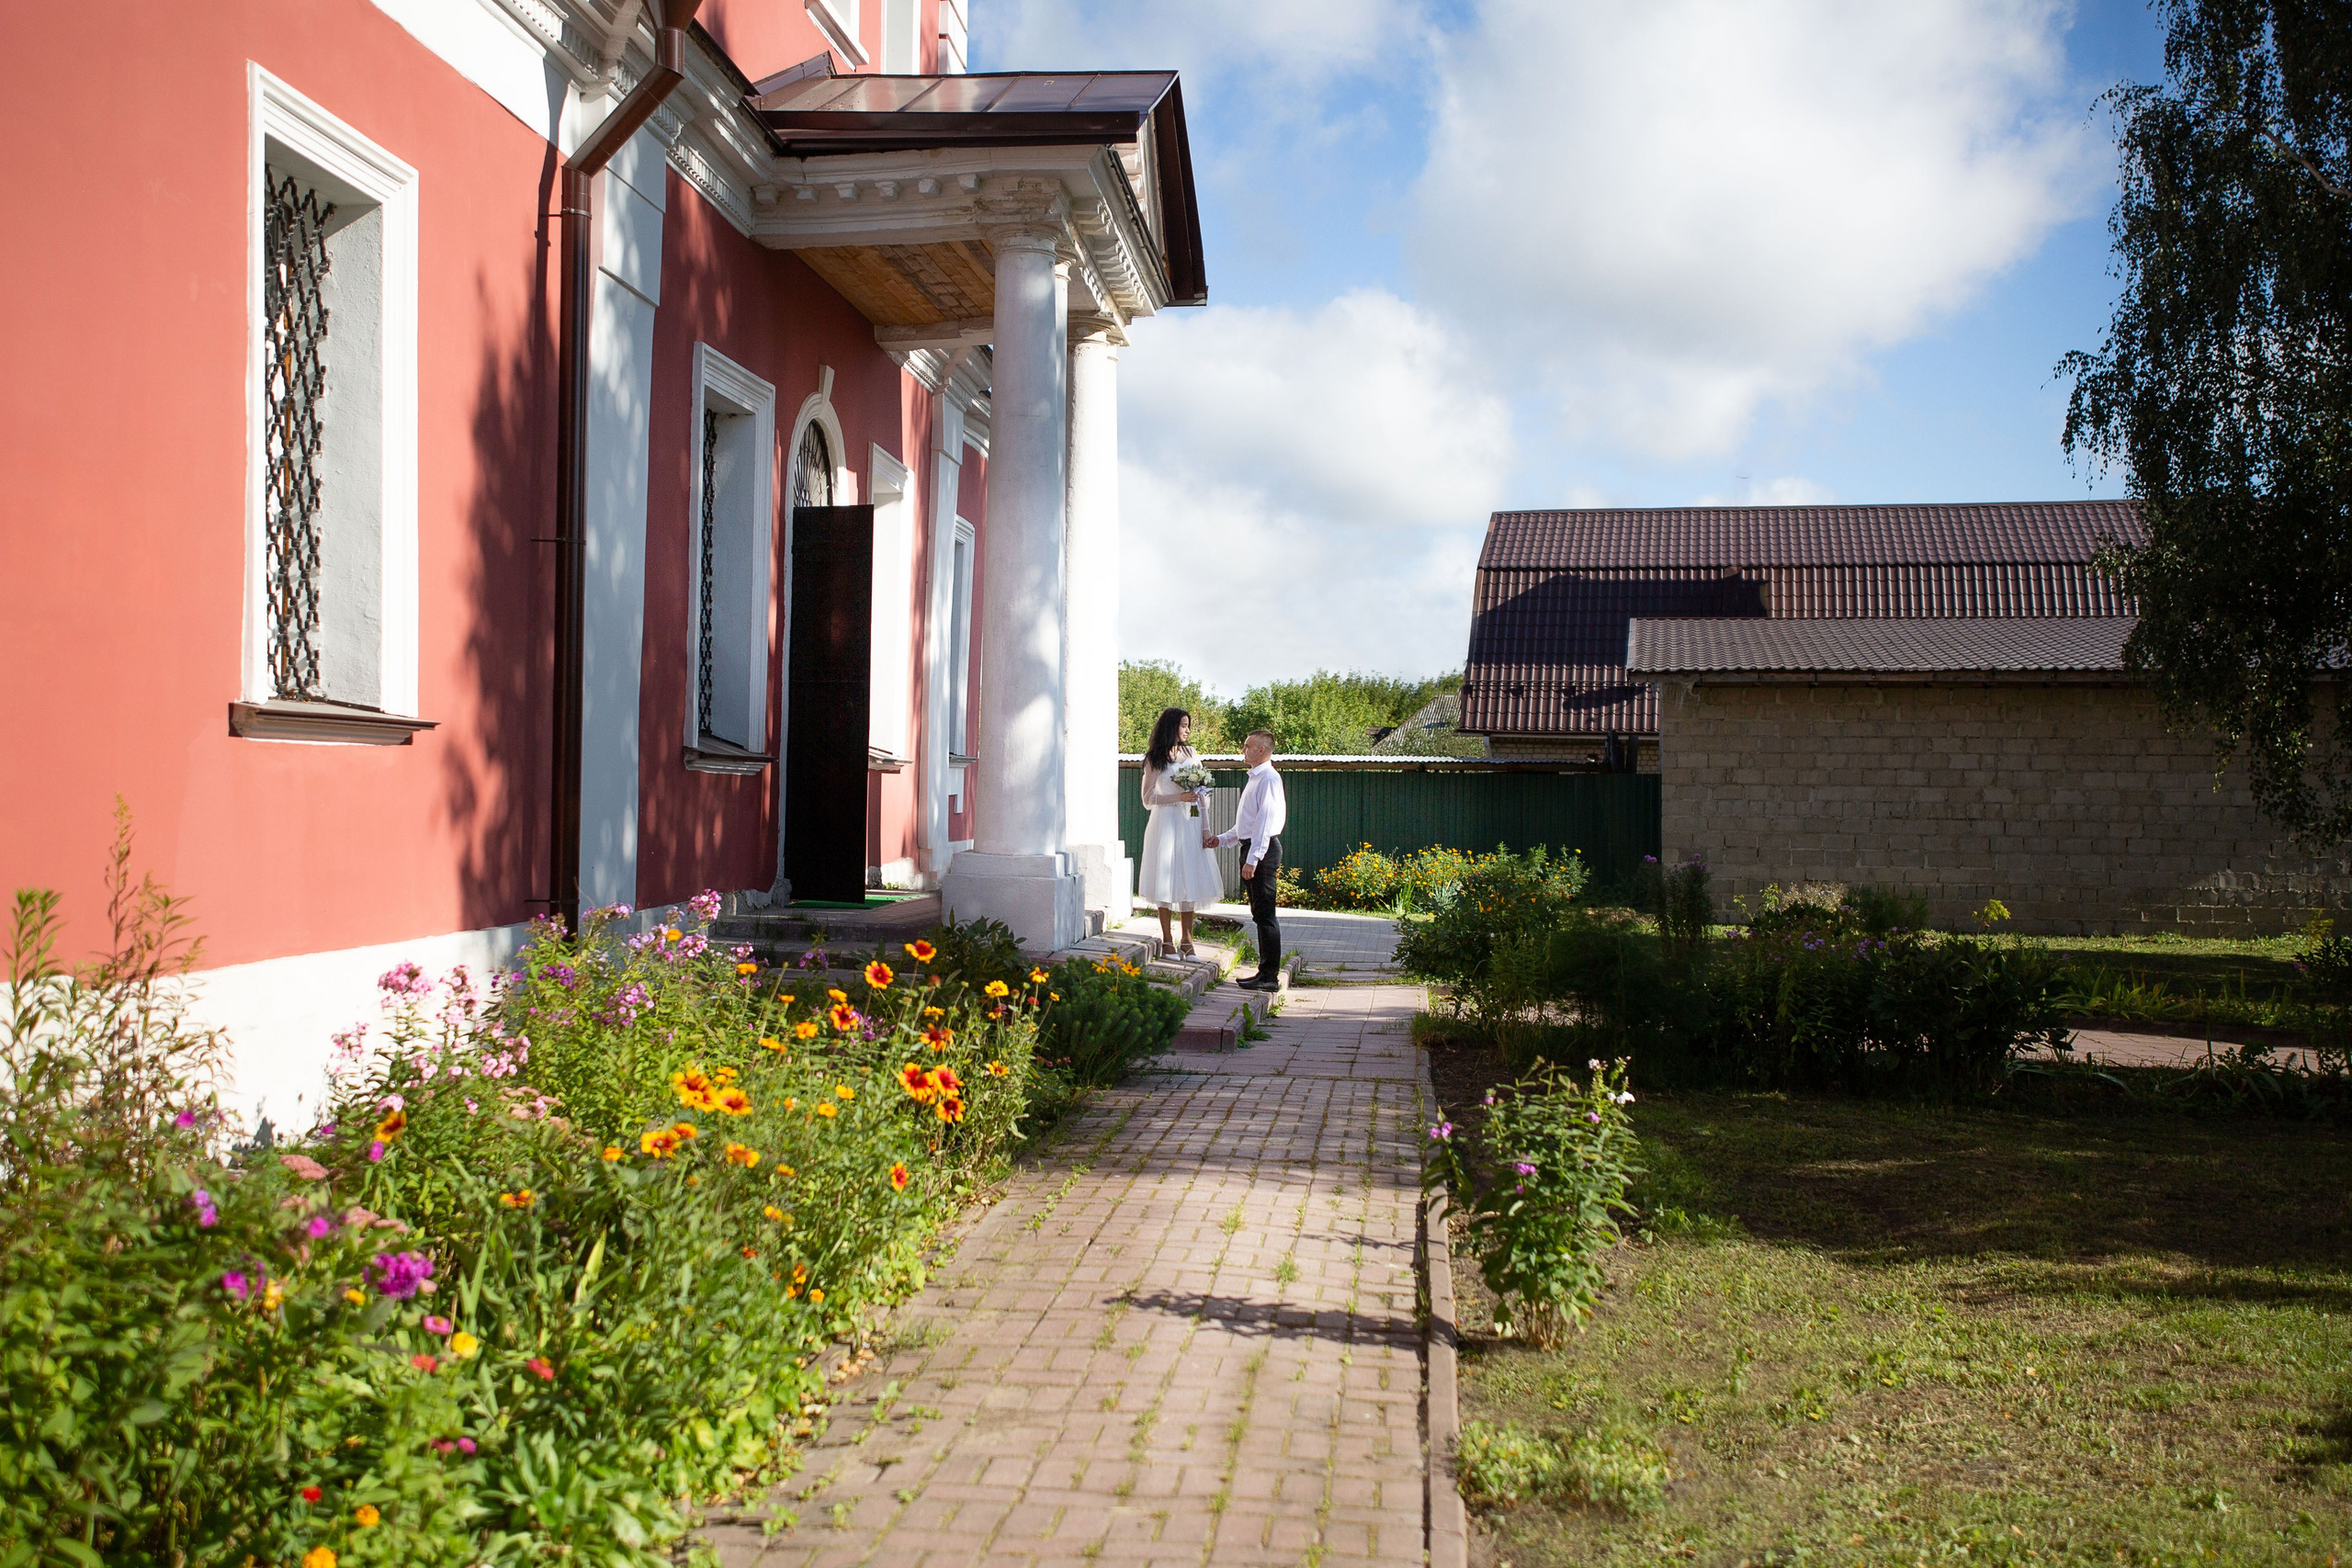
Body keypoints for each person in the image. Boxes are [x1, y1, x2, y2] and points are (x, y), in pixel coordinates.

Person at [1136, 706, 1225, 957]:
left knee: (1190, 879)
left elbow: (1202, 794)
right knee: (1166, 880)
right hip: (1165, 823)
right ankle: (1167, 941)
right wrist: (1178, 797)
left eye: (1188, 726)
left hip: (1191, 823)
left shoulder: (1192, 753)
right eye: (1184, 725)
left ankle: (1187, 941)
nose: (1187, 730)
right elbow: (1147, 798)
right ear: (1172, 726)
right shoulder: (1155, 758)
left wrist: (1206, 829)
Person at [1209, 728, 1286, 989]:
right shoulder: (1255, 778)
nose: (1243, 750)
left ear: (1261, 749)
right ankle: (1265, 972)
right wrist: (1221, 839)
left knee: (1265, 914)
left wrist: (1253, 859)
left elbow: (1264, 824)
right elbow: (1246, 825)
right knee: (1259, 914)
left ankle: (1269, 976)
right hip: (1253, 847)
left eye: (1247, 746)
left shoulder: (1268, 778)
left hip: (1261, 850)